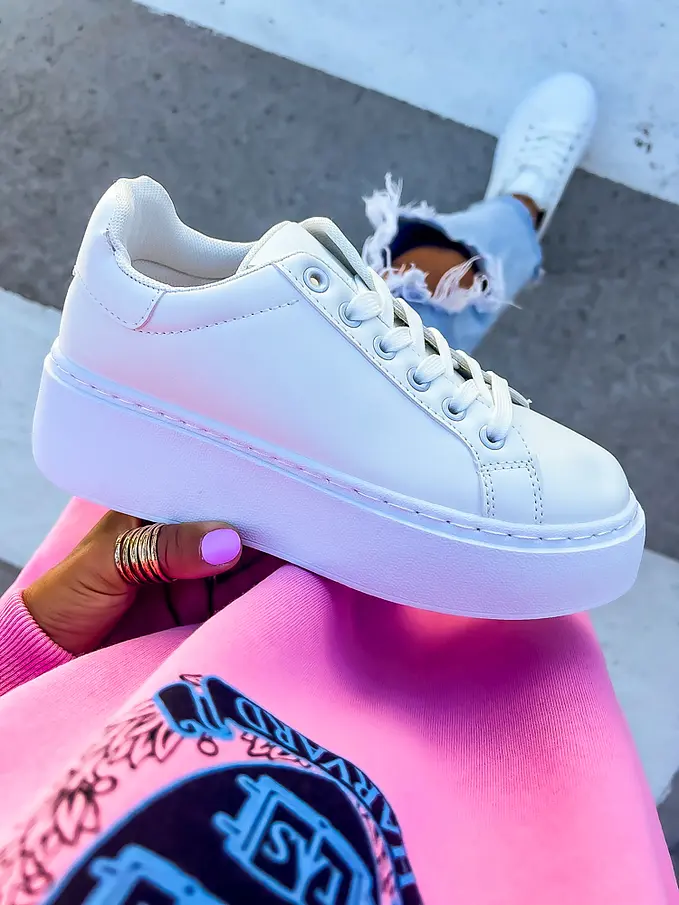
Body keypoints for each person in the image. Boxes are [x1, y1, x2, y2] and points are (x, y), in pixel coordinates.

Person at [0, 74, 676, 905]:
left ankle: (509, 216)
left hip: (163, 628)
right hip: (510, 806)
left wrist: (20, 647)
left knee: (403, 320)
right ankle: (482, 237)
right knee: (406, 352)